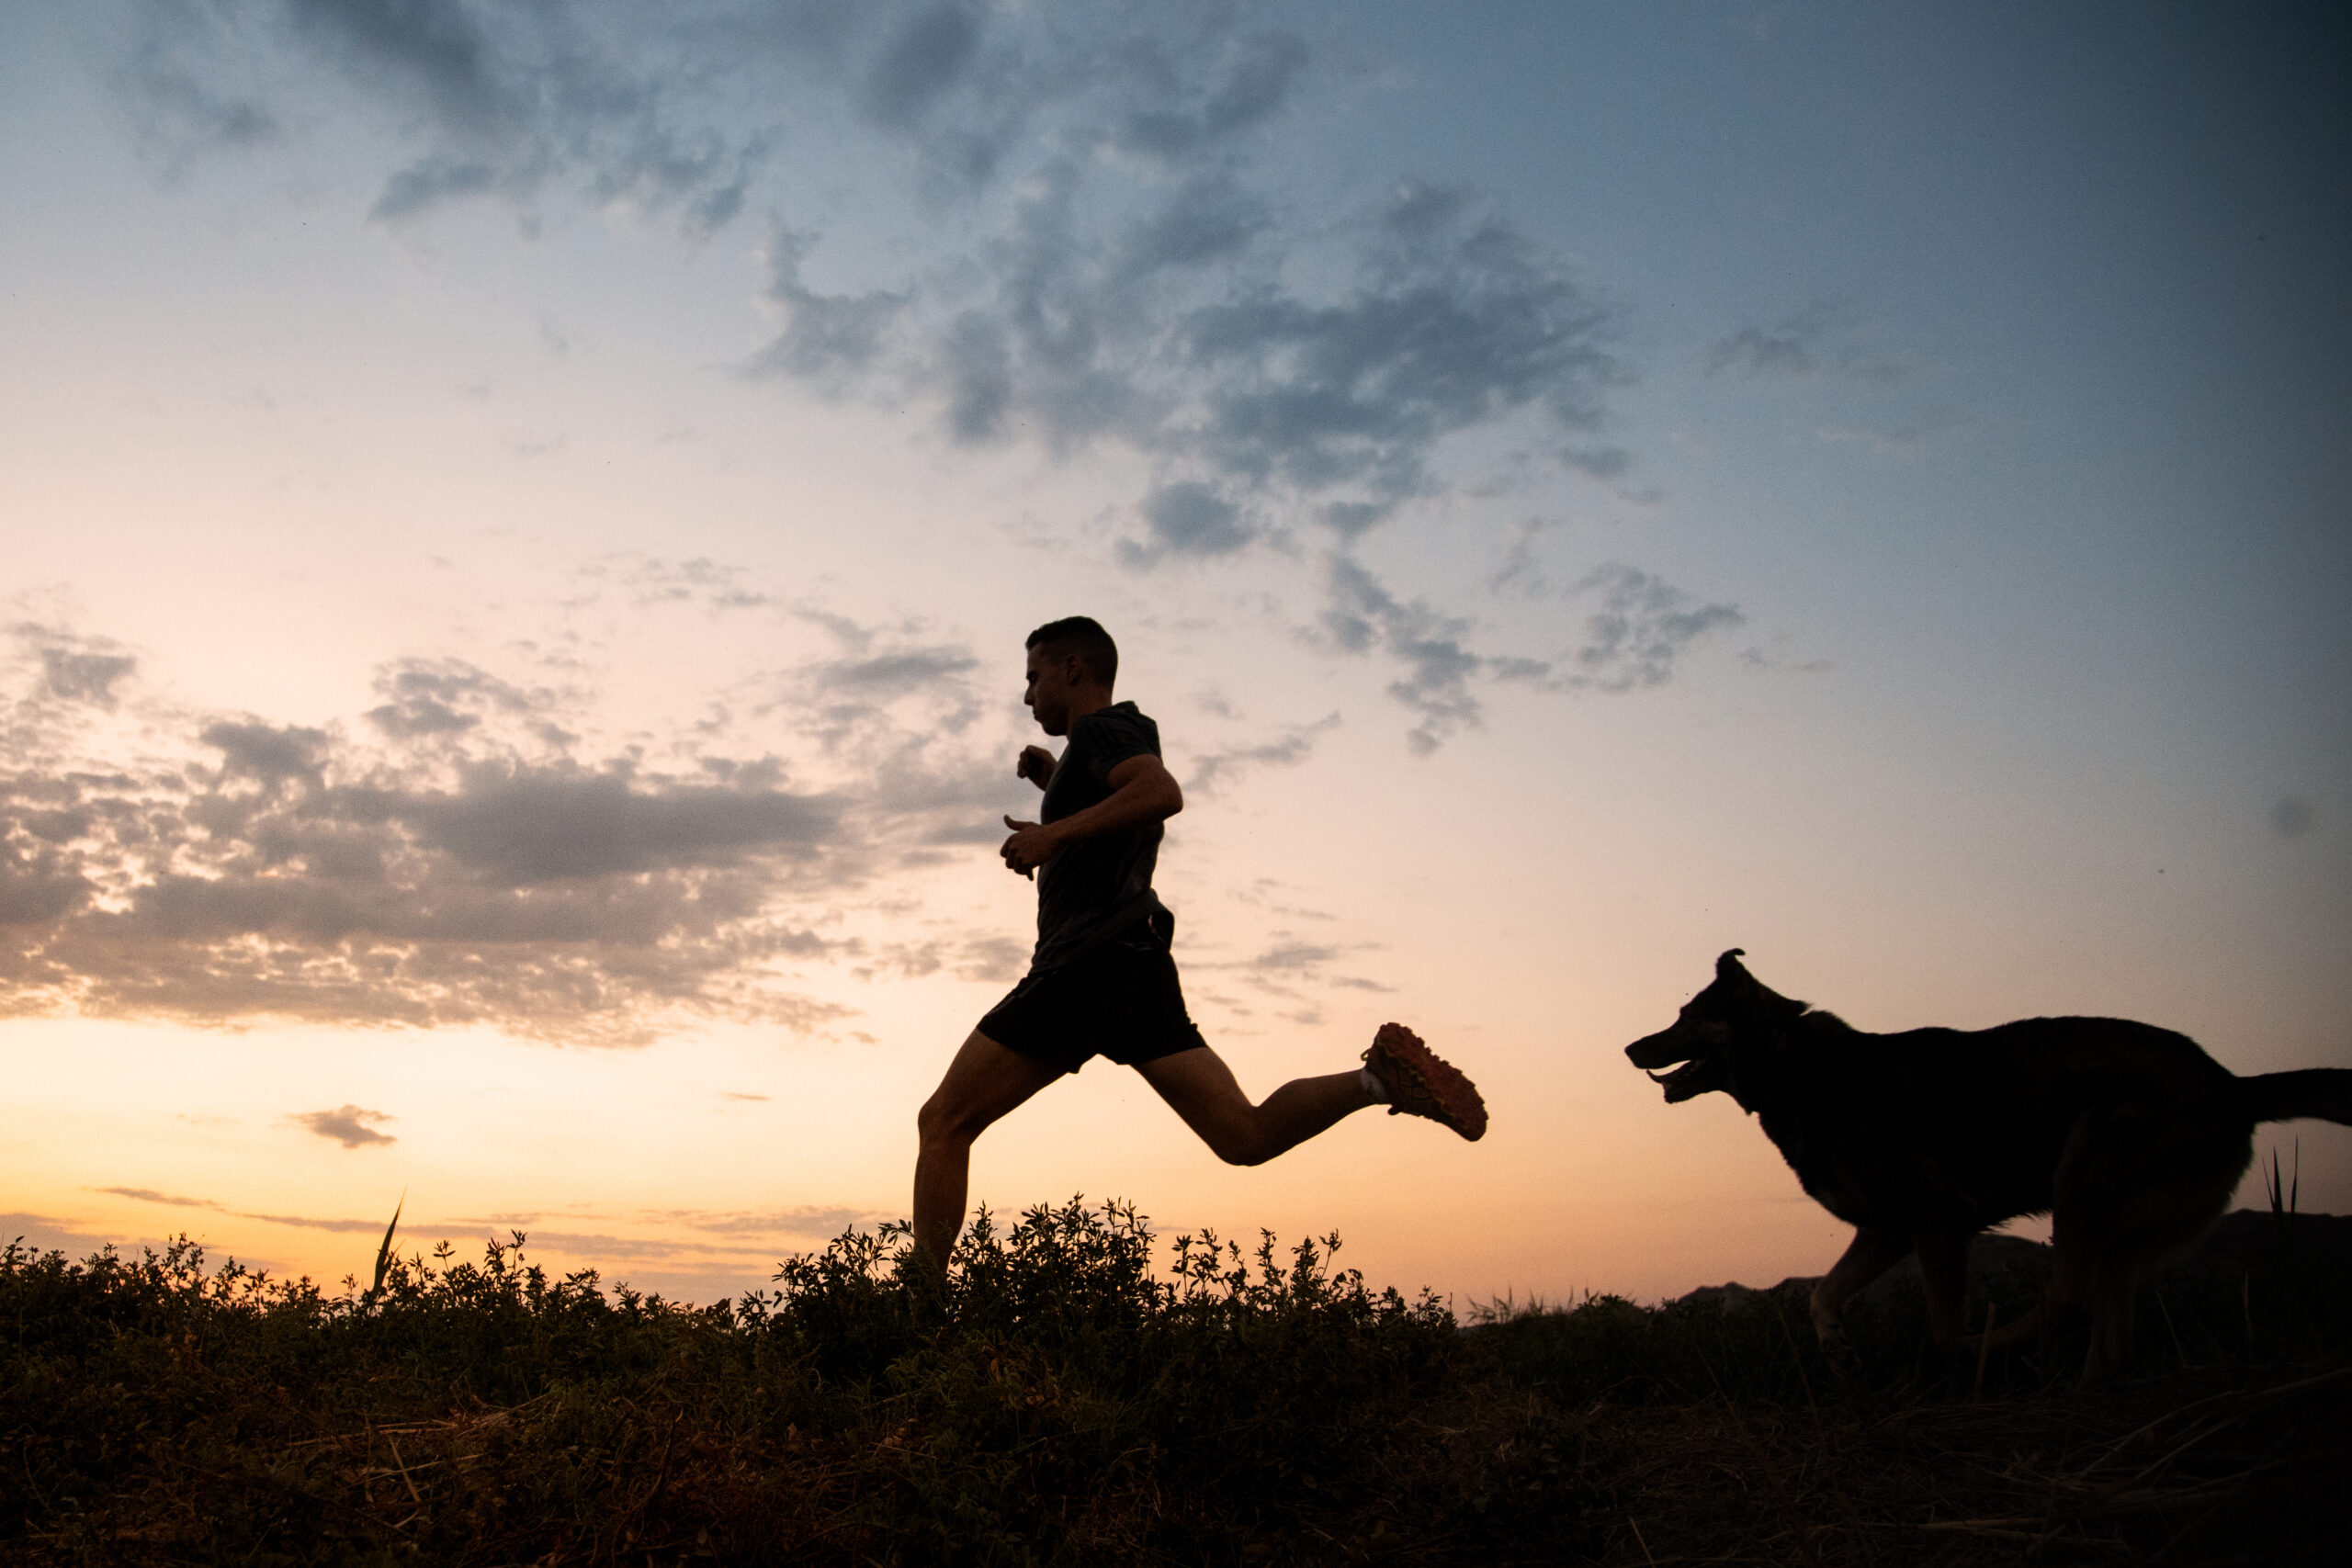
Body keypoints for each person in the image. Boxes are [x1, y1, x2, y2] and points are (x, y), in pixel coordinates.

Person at [912, 615, 1487, 1269]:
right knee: (1243, 1134)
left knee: (944, 1122)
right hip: (1135, 963)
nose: (1026, 696)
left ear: (1073, 669)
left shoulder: (1106, 729)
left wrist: (1051, 835)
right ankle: (1378, 1078)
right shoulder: (1098, 746)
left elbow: (1161, 793)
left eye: (1033, 677)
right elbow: (1122, 814)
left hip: (1087, 962)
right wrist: (1056, 787)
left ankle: (919, 1320)